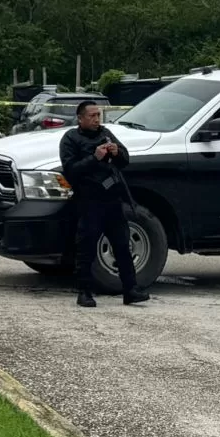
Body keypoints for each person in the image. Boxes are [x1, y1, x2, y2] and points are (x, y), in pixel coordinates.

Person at [59, 101, 150, 308]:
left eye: (98, 115)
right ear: (80, 118)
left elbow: (125, 160)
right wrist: (94, 157)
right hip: (89, 201)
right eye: (91, 116)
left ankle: (131, 290)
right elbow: (70, 170)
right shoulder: (71, 139)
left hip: (112, 200)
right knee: (87, 248)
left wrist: (117, 152)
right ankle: (84, 292)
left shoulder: (106, 133)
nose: (96, 119)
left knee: (122, 245)